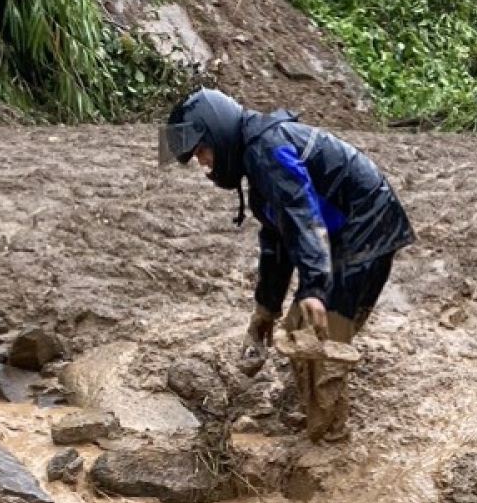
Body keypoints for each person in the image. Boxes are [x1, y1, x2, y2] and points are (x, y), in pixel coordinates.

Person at [160, 88, 415, 442]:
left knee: (320, 336)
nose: (203, 163)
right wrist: (266, 306)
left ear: (216, 132)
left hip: (367, 231)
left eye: (202, 151)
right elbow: (277, 241)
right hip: (349, 232)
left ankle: (327, 439)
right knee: (300, 331)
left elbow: (300, 213)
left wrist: (313, 288)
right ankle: (319, 421)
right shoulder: (257, 153)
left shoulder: (268, 149)